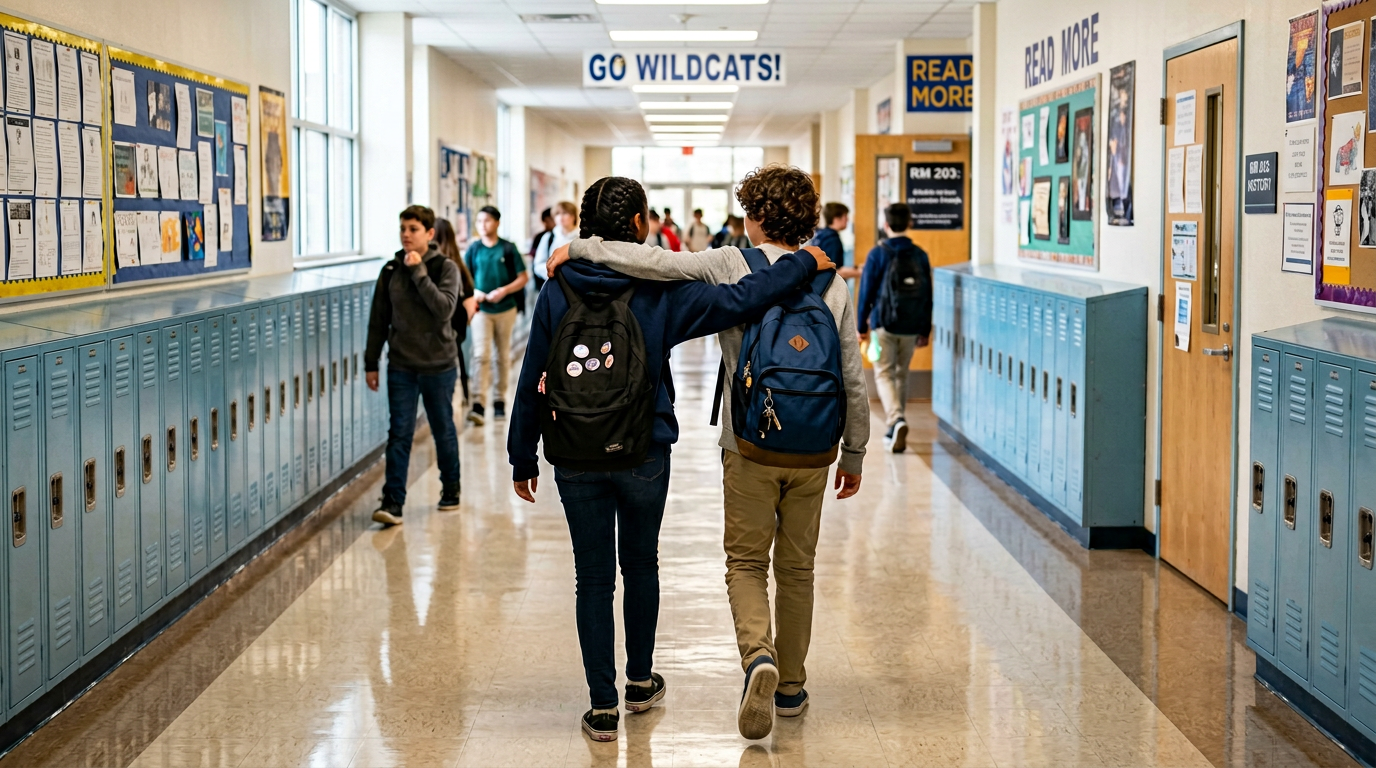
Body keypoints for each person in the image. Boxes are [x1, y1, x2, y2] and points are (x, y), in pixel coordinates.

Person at [509, 176, 834, 743]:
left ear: (586, 227)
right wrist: (805, 262)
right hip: (643, 449)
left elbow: (532, 370)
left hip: (574, 452)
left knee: (591, 576)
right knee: (640, 566)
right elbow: (745, 297)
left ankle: (602, 706)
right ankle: (639, 682)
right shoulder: (660, 291)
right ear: (640, 225)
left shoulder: (557, 286)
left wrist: (522, 455)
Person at [364, 205, 463, 526]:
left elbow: (444, 309)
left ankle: (451, 487)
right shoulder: (391, 269)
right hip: (402, 365)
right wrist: (371, 362)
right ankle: (392, 501)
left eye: (413, 229)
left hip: (438, 364)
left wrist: (419, 272)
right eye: (403, 228)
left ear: (430, 234)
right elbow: (378, 319)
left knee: (442, 428)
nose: (406, 234)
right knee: (400, 432)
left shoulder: (445, 267)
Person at [856, 202, 933, 454]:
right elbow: (928, 295)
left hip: (884, 324)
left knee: (884, 373)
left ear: (886, 225)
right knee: (901, 374)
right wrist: (925, 329)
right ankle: (894, 425)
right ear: (909, 224)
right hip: (911, 325)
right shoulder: (920, 254)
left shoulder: (878, 253)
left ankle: (895, 420)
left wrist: (861, 326)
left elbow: (865, 292)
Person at [464, 205, 529, 425]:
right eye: (479, 221)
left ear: (497, 223)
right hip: (481, 310)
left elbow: (523, 277)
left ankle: (499, 400)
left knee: (502, 355)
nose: (483, 225)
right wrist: (476, 293)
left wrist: (504, 290)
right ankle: (478, 404)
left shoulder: (508, 248)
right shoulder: (474, 250)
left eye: (487, 221)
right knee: (480, 355)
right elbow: (464, 280)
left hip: (506, 309)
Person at [432, 218, 480, 402]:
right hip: (454, 332)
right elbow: (470, 303)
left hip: (439, 333)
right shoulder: (458, 265)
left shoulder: (442, 267)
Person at [534, 201, 579, 290]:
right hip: (553, 285)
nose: (561, 217)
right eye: (557, 214)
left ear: (573, 216)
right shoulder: (548, 237)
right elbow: (538, 264)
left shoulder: (582, 237)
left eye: (565, 213)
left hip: (576, 285)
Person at [812, 202, 858, 280]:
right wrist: (860, 272)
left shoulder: (820, 235)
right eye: (845, 216)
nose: (847, 219)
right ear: (836, 218)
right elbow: (835, 271)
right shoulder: (832, 240)